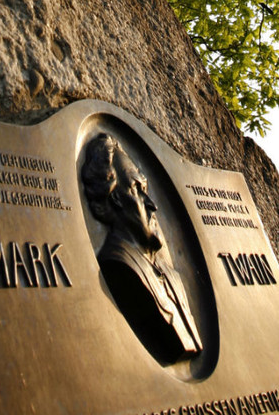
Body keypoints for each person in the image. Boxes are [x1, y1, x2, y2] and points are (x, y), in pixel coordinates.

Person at [81, 133, 202, 362]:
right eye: (137, 189)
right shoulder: (118, 268)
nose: (152, 204)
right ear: (115, 198)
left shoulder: (171, 275)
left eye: (146, 188)